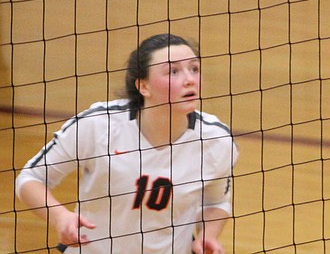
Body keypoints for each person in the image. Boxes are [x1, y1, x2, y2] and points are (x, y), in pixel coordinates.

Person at [15, 33, 238, 254]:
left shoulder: (215, 140)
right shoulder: (98, 125)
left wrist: (208, 235)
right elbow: (30, 179)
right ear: (143, 86)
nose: (190, 79)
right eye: (173, 71)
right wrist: (60, 217)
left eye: (194, 68)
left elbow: (215, 202)